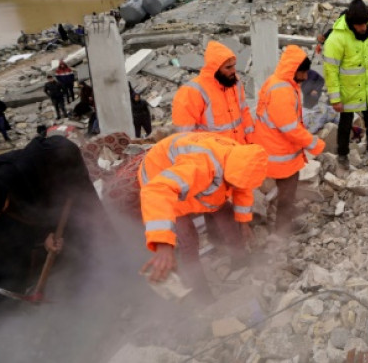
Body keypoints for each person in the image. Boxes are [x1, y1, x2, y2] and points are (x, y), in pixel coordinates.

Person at [0, 135, 120, 331]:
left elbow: (59, 148)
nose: (5, 208)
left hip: (51, 189)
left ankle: (90, 277)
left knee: (81, 225)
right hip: (19, 207)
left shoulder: (26, 168)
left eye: (5, 204)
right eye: (0, 211)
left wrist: (72, 183)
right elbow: (7, 233)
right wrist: (39, 237)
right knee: (2, 262)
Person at [138, 132, 268, 299]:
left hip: (191, 178)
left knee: (227, 216)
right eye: (231, 184)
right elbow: (157, 191)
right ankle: (201, 295)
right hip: (160, 179)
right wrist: (163, 244)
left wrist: (243, 223)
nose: (233, 187)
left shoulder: (241, 157)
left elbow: (242, 189)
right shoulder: (200, 165)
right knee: (188, 239)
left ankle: (240, 261)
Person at [254, 46, 326, 235]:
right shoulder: (282, 91)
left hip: (274, 148)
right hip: (279, 153)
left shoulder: (279, 82)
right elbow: (289, 128)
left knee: (286, 191)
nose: (305, 77)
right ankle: (282, 230)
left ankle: (281, 221)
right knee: (287, 193)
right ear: (294, 70)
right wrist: (315, 144)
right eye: (302, 72)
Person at [323, 0, 368, 170]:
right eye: (359, 25)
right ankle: (343, 155)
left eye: (365, 24)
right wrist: (335, 98)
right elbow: (331, 71)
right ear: (351, 23)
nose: (363, 28)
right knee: (345, 124)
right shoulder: (337, 38)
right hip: (348, 92)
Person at [172, 40, 254, 143]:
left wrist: (251, 143)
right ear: (215, 69)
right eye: (228, 67)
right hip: (213, 156)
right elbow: (184, 135)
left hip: (238, 152)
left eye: (234, 65)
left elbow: (244, 114)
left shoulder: (234, 83)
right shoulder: (192, 91)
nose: (234, 70)